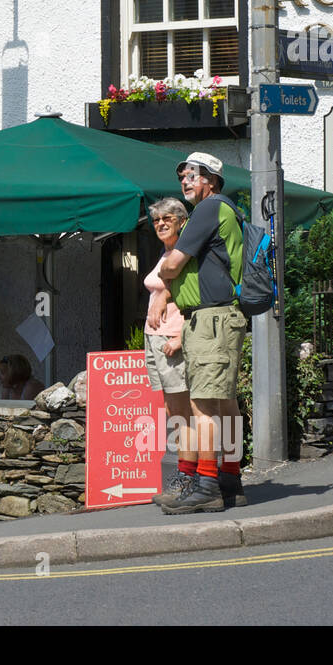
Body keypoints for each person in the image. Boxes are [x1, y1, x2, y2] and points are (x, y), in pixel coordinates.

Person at [157, 152, 248, 513]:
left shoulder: (208, 210)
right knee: (225, 404)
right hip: (220, 318)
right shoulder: (223, 209)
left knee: (204, 405)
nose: (184, 180)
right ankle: (230, 479)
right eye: (181, 175)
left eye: (192, 175)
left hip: (212, 319)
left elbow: (175, 263)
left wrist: (166, 275)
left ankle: (208, 485)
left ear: (210, 179)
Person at [142, 197, 199, 507]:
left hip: (171, 336)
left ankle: (187, 480)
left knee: (183, 414)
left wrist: (180, 336)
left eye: (168, 218)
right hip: (155, 336)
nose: (161, 223)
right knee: (173, 412)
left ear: (181, 221)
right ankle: (185, 477)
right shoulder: (167, 253)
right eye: (156, 220)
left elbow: (195, 295)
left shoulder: (187, 253)